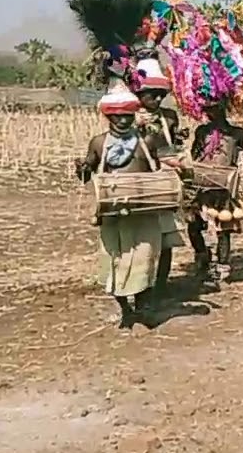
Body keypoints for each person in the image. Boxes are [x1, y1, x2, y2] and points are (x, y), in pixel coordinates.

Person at [76, 80, 179, 328]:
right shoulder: (99, 143)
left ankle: (143, 308)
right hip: (113, 213)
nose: (123, 121)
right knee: (115, 262)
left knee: (144, 262)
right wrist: (82, 168)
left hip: (144, 211)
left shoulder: (149, 139)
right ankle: (126, 310)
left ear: (134, 114)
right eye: (117, 116)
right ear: (108, 116)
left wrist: (181, 169)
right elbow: (86, 173)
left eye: (127, 116)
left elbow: (171, 160)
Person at [130, 53, 186, 292]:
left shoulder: (170, 117)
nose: (157, 99)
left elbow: (172, 146)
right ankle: (141, 284)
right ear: (138, 94)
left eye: (161, 94)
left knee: (165, 238)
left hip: (165, 178)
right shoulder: (128, 117)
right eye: (152, 94)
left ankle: (161, 285)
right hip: (139, 180)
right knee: (140, 239)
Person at [187, 102, 243, 286]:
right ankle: (202, 257)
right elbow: (194, 155)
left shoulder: (238, 133)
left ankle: (223, 267)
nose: (210, 113)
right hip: (202, 185)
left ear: (223, 108)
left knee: (224, 229)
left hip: (225, 187)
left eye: (215, 108)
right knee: (193, 225)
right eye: (208, 109)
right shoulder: (201, 132)